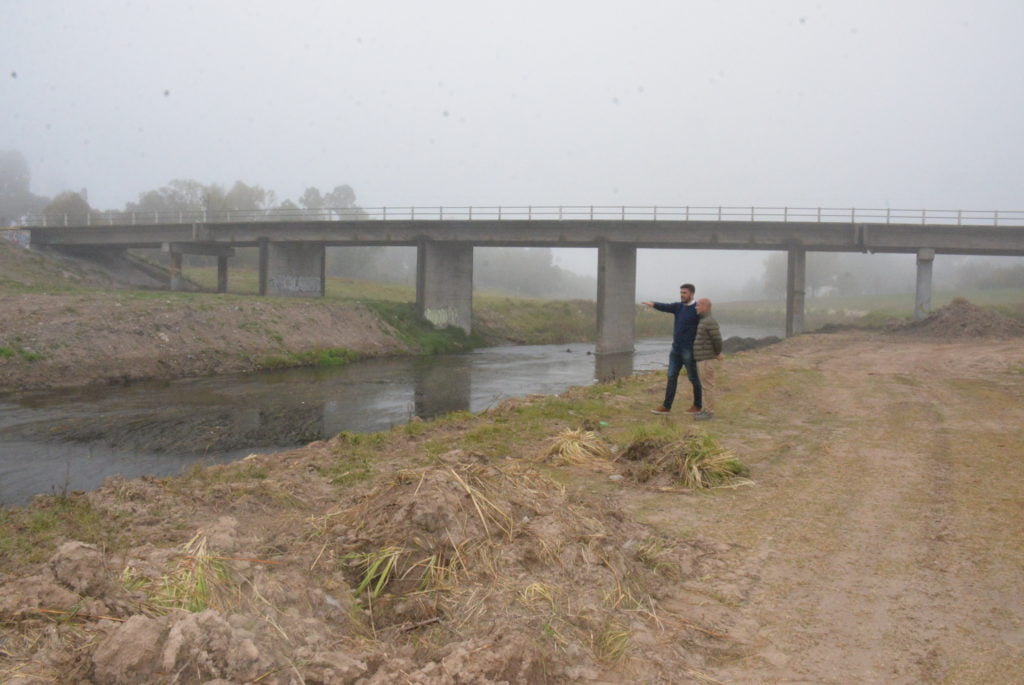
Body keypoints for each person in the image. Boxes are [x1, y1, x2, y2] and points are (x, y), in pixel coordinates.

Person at [643, 283, 701, 414]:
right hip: (675, 349)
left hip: (689, 350)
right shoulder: (678, 307)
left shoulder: (697, 309)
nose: (682, 295)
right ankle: (666, 406)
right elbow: (665, 306)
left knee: (693, 378)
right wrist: (653, 304)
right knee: (671, 376)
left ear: (692, 294)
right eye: (681, 292)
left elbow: (705, 327)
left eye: (684, 293)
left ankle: (697, 406)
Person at [692, 297, 723, 420]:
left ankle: (709, 413)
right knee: (705, 385)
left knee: (708, 385)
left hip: (706, 359)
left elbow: (717, 340)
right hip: (702, 358)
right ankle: (706, 410)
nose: (696, 307)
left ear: (705, 307)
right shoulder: (704, 320)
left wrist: (717, 353)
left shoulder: (709, 321)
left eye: (698, 305)